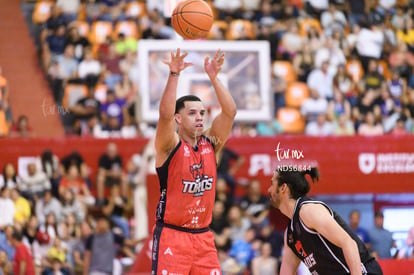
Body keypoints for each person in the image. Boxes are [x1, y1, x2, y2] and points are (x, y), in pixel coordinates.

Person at [152, 48, 236, 274]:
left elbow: (230, 112)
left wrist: (214, 78)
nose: (199, 117)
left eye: (201, 113)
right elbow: (165, 115)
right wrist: (174, 75)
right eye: (192, 113)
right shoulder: (169, 145)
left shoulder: (212, 143)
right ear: (179, 118)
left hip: (203, 237)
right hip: (172, 235)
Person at [268, 167, 383, 275]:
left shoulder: (308, 211)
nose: (269, 189)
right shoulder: (290, 235)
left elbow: (349, 243)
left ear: (283, 188)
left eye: (272, 184)